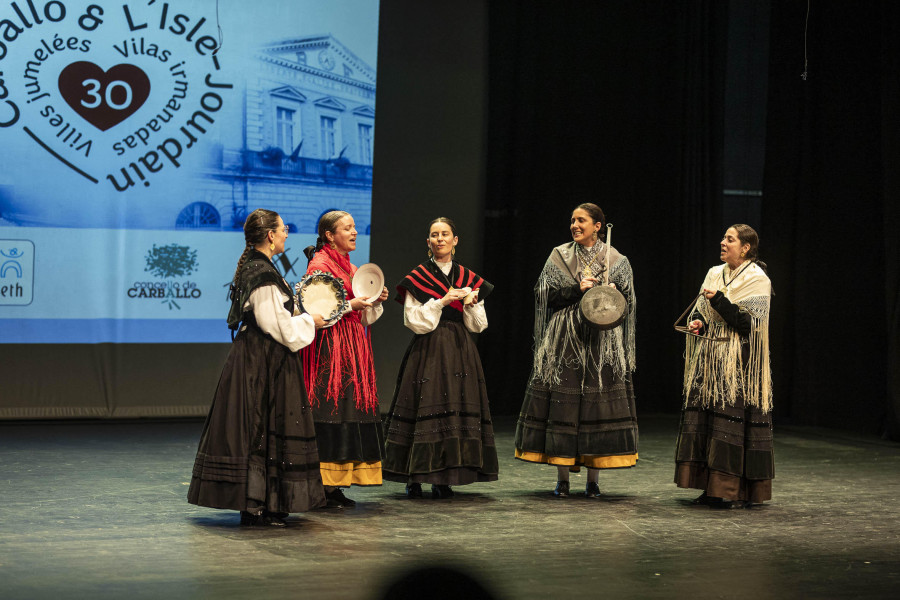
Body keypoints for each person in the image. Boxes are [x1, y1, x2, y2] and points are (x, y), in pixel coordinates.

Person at [188, 208, 327, 526]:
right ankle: (254, 504)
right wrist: (311, 321)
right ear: (270, 235)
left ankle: (267, 501)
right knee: (258, 428)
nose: (286, 234)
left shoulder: (260, 268)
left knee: (265, 428)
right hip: (260, 360)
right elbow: (274, 325)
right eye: (283, 229)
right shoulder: (261, 273)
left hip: (264, 358)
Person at [514, 203, 638, 498]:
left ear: (598, 226)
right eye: (572, 220)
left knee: (598, 406)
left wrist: (610, 295)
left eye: (581, 220)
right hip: (565, 338)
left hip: (601, 340)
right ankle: (563, 478)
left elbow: (628, 302)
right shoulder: (560, 256)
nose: (574, 224)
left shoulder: (617, 260)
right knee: (563, 404)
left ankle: (593, 480)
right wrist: (577, 289)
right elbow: (543, 295)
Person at [382, 217, 498, 499]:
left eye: (445, 234)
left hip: (460, 348)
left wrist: (469, 305)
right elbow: (413, 320)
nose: (440, 239)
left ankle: (446, 475)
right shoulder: (417, 277)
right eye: (434, 235)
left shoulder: (469, 278)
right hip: (429, 348)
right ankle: (416, 474)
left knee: (455, 406)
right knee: (425, 406)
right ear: (428, 242)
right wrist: (443, 301)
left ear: (455, 240)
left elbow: (478, 325)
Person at [675, 224, 773, 508]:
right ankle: (711, 487)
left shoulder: (758, 278)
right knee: (708, 419)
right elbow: (705, 313)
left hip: (738, 361)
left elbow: (747, 324)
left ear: (745, 248)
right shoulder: (714, 273)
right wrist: (698, 323)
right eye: (723, 238)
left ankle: (733, 491)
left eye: (730, 240)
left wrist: (717, 299)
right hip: (711, 355)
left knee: (731, 421)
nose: (723, 242)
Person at [301, 210, 389, 507]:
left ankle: (334, 483)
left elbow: (362, 316)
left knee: (347, 408)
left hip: (351, 345)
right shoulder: (320, 265)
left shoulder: (351, 268)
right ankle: (320, 483)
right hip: (330, 347)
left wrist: (373, 302)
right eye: (347, 228)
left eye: (354, 228)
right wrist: (352, 304)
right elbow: (318, 313)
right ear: (329, 235)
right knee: (330, 406)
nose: (354, 233)